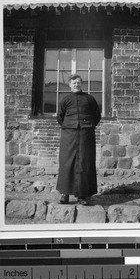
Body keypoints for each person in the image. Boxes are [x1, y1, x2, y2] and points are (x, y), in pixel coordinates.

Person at [56, 74, 101, 205]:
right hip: (68, 136)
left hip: (86, 135)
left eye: (78, 83)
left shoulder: (89, 99)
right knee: (66, 162)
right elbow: (60, 117)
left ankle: (82, 195)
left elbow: (96, 116)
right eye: (74, 83)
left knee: (84, 163)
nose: (76, 85)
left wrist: (87, 126)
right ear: (69, 85)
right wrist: (69, 127)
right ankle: (65, 194)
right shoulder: (65, 100)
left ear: (82, 84)